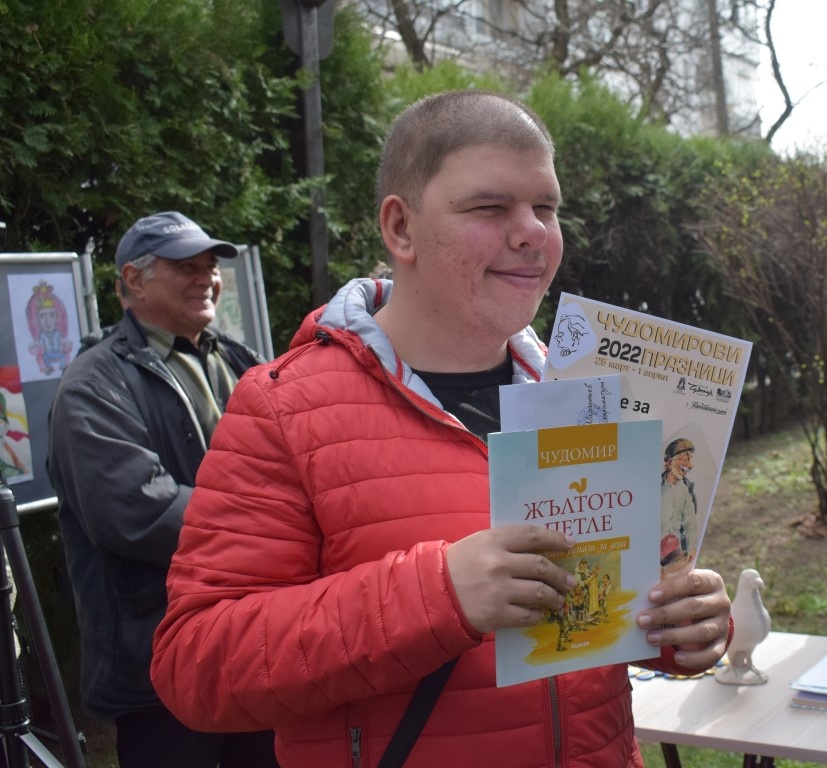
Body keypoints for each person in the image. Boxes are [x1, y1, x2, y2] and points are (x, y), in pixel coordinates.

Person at [150, 90, 732, 767]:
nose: (533, 233)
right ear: (401, 228)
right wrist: (437, 594)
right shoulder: (284, 409)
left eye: (546, 207)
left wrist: (675, 625)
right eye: (490, 207)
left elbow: (587, 627)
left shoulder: (584, 393)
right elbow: (197, 667)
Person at [45, 212, 276, 768]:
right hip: (159, 660)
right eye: (186, 267)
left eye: (211, 266)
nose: (207, 279)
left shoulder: (239, 360)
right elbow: (136, 511)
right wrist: (271, 528)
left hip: (254, 640)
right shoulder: (93, 384)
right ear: (134, 279)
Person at [660, 438, 698, 569]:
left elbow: (690, 524)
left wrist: (692, 548)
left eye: (690, 460)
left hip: (675, 555)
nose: (690, 466)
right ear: (670, 462)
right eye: (685, 460)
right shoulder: (655, 487)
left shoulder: (685, 491)